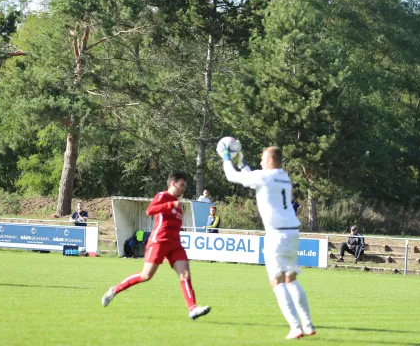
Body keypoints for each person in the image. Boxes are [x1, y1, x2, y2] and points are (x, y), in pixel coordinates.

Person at [217, 141, 316, 339]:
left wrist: (227, 157)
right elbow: (253, 178)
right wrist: (242, 160)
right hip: (292, 232)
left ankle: (295, 327)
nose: (260, 164)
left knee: (277, 282)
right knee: (291, 279)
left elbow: (233, 176)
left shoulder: (265, 176)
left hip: (276, 234)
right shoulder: (283, 177)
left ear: (270, 160)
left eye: (262, 160)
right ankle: (308, 324)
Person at [101, 172, 211, 320]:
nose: (183, 189)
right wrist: (170, 204)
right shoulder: (163, 196)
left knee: (185, 275)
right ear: (173, 183)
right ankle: (114, 290)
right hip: (159, 241)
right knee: (146, 275)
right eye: (182, 185)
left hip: (175, 244)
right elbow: (149, 210)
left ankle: (192, 308)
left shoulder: (179, 205)